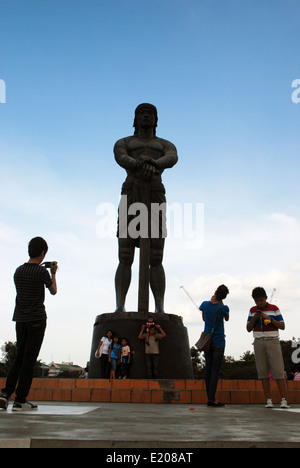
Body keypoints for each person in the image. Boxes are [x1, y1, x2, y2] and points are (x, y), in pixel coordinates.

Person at [114, 103, 178, 314]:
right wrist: (140, 164)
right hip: (131, 190)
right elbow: (121, 156)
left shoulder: (163, 144)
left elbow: (172, 157)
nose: (145, 116)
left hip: (155, 192)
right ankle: (120, 305)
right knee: (125, 252)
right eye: (141, 113)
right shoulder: (125, 142)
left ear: (156, 119)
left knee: (156, 255)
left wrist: (153, 161)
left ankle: (159, 306)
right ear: (135, 118)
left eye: (150, 113)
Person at [0, 237, 58, 412]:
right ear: (43, 253)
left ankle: (5, 394)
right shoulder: (42, 273)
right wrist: (53, 272)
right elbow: (54, 291)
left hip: (20, 319)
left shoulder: (18, 271)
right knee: (29, 360)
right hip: (37, 319)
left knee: (19, 358)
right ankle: (20, 400)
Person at [247, 287, 290, 409]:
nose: (259, 303)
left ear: (266, 298)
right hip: (258, 341)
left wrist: (270, 319)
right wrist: (254, 318)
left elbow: (282, 326)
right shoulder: (252, 310)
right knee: (263, 371)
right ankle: (268, 399)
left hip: (273, 341)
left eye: (261, 300)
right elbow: (248, 328)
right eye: (256, 301)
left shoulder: (274, 309)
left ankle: (284, 400)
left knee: (278, 371)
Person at [200, 285, 230, 407]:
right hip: (218, 340)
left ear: (215, 292)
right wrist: (221, 302)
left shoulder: (204, 304)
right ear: (224, 296)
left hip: (207, 340)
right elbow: (227, 319)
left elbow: (203, 319)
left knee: (208, 369)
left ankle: (210, 397)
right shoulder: (223, 308)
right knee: (215, 371)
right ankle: (211, 399)